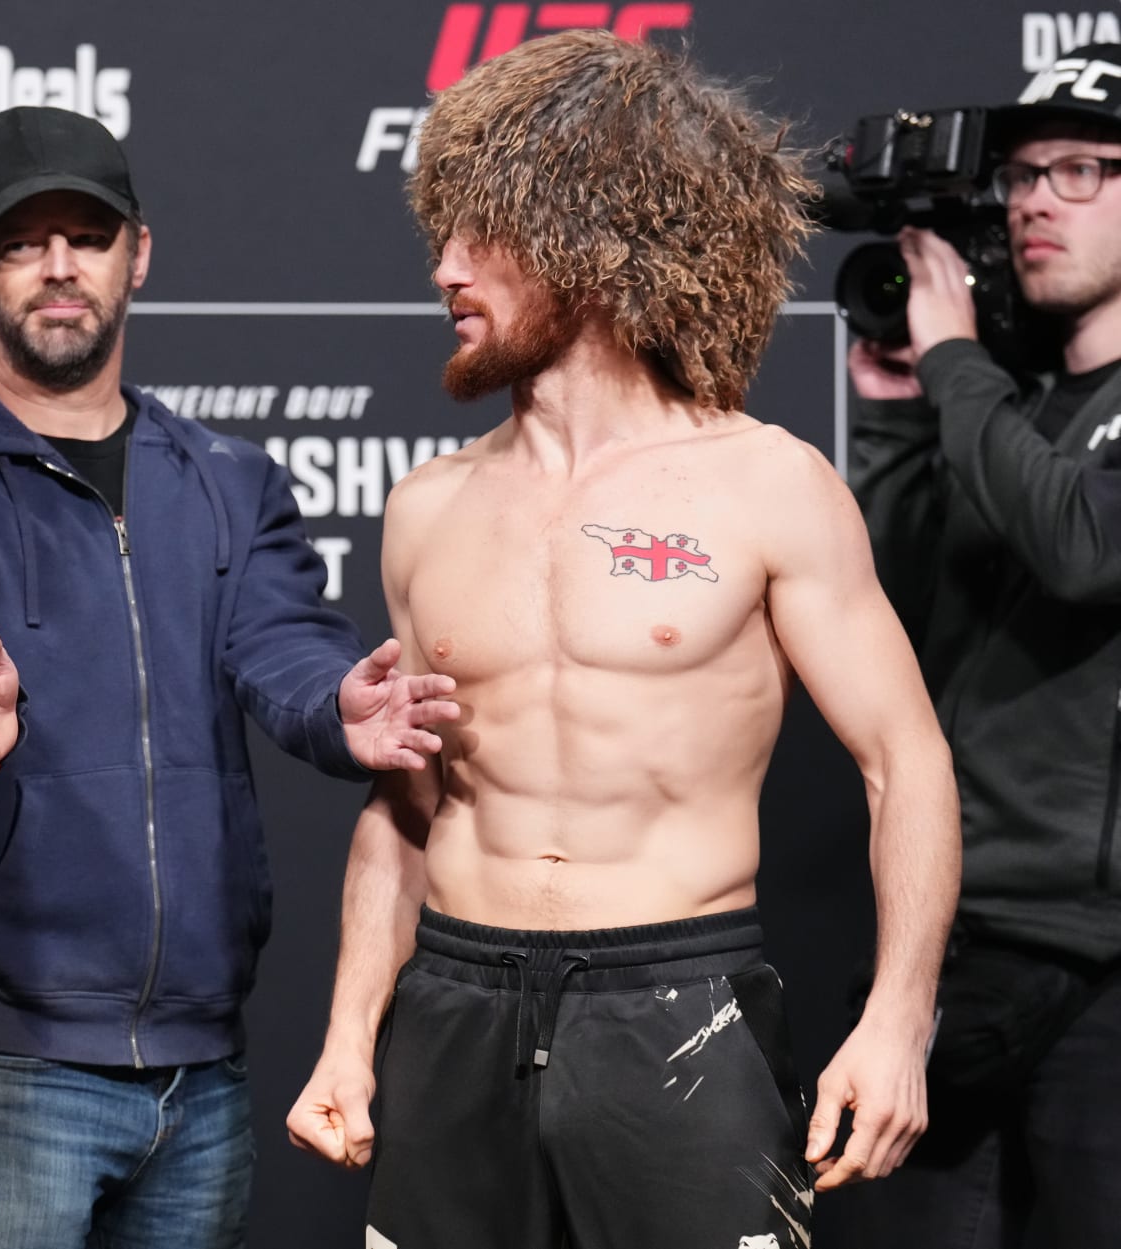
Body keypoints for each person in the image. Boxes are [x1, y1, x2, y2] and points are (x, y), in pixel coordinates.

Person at [284, 31, 961, 1249]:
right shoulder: (427, 506)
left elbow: (903, 760)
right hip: (451, 1001)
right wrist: (347, 1035)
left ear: (585, 239)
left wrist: (902, 1017)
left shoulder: (767, 484)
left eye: (478, 232)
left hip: (679, 1002)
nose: (443, 266)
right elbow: (407, 802)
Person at [0, 105, 457, 1249]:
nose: (58, 268)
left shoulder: (229, 480)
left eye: (86, 235)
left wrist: (341, 704)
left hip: (201, 1070)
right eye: (20, 243)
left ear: (140, 250)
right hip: (3, 1061)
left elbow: (281, 641)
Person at [842, 43, 1121, 1248]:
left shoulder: (991, 394)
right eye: (1016, 178)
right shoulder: (1007, 400)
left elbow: (1083, 549)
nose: (1032, 202)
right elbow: (895, 610)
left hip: (1106, 968)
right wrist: (903, 415)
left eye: (1077, 170)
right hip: (961, 940)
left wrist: (952, 360)